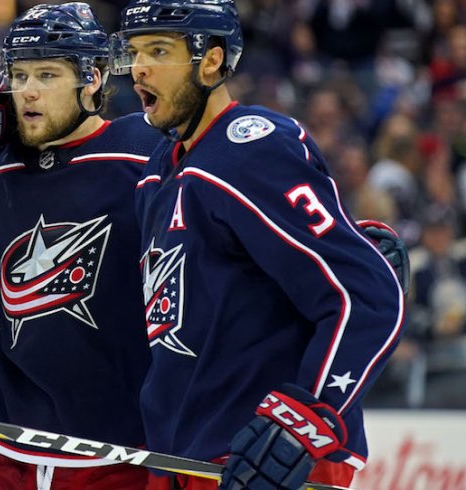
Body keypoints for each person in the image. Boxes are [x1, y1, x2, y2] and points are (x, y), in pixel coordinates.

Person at [110, 1, 406, 489]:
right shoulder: (157, 170)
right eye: (135, 51)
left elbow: (366, 296)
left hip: (263, 461)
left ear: (210, 60)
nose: (139, 67)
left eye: (159, 50)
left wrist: (305, 421)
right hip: (181, 456)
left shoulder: (251, 149)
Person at [0, 4, 162, 489]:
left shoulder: (145, 154)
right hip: (8, 449)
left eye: (46, 74)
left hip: (121, 453)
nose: (27, 90)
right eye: (19, 75)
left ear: (92, 78)